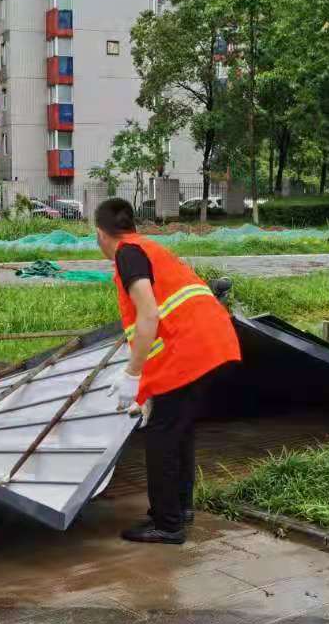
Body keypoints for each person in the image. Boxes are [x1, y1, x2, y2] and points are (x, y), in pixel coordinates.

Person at [95, 197, 241, 545]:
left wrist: (131, 377)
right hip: (208, 343)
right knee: (179, 430)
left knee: (162, 436)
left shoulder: (127, 254)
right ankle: (180, 508)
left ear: (101, 234)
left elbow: (148, 316)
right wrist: (147, 387)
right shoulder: (149, 246)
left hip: (190, 350)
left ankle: (167, 524)